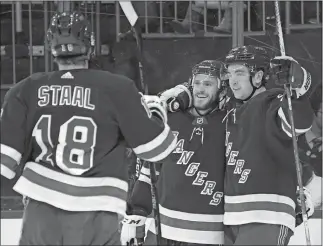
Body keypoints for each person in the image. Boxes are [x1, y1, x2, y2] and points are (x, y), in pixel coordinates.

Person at [0, 11, 177, 246]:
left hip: (40, 211)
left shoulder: (24, 90)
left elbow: (4, 162)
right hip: (97, 210)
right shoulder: (118, 88)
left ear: (50, 45)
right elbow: (156, 149)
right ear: (90, 44)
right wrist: (155, 111)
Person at [159, 45, 315, 245]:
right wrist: (183, 93)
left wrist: (298, 85)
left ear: (258, 77)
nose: (232, 80)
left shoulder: (272, 102)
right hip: (233, 218)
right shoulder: (231, 112)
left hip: (265, 213)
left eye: (239, 73)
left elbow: (298, 122)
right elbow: (203, 97)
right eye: (229, 73)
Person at [120, 60, 228, 245]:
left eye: (208, 84)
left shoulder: (230, 122)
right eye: (197, 83)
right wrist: (136, 213)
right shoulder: (172, 119)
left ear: (222, 89)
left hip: (209, 234)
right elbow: (150, 170)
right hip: (162, 229)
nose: (200, 89)